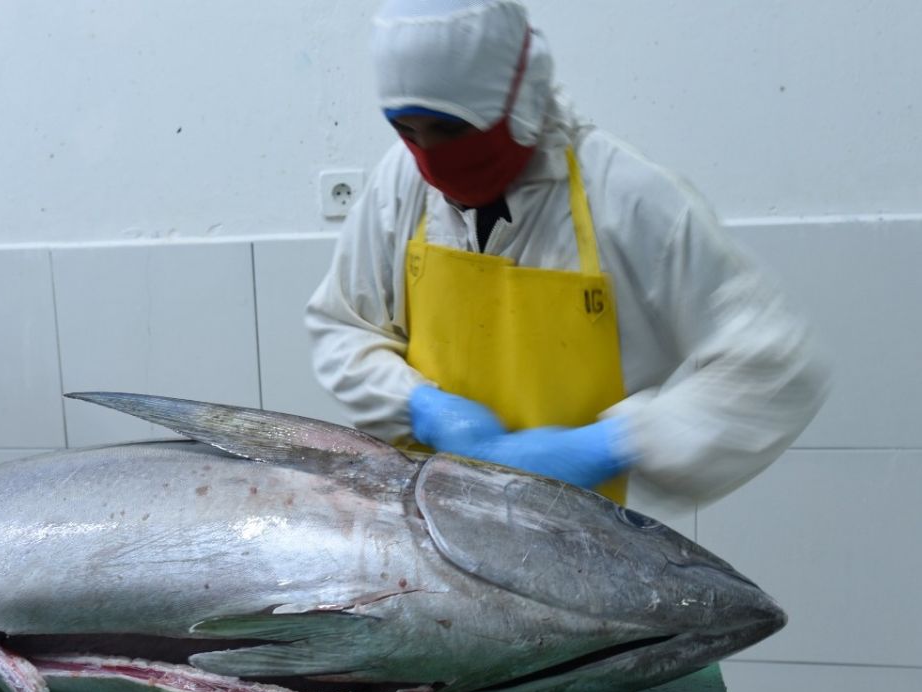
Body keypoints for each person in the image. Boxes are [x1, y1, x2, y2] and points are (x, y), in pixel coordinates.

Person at [306, 0, 828, 507]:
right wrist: (420, 406)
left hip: (579, 539)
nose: (430, 159)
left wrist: (618, 443)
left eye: (452, 129)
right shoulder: (400, 183)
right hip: (432, 529)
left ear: (519, 100)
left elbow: (776, 367)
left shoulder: (626, 198)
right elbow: (342, 326)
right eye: (406, 130)